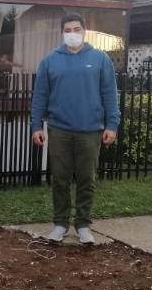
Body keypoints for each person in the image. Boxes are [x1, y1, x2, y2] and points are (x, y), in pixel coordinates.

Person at [31, 13, 120, 244]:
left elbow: (110, 94)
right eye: (68, 30)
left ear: (84, 31)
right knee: (59, 178)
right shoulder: (50, 60)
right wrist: (36, 125)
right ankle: (60, 224)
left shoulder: (100, 59)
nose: (73, 33)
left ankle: (83, 225)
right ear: (62, 33)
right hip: (59, 129)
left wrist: (112, 124)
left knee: (86, 179)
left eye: (77, 29)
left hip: (90, 130)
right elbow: (40, 96)